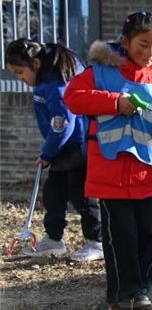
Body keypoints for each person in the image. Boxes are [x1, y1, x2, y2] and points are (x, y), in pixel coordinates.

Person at [63, 11, 152, 310]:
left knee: (146, 235)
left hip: (148, 173)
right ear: (125, 42)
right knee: (121, 236)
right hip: (110, 173)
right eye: (144, 44)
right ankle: (123, 292)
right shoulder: (100, 73)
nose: (151, 53)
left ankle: (142, 287)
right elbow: (73, 98)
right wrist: (115, 102)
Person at [4, 39, 103, 262]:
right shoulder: (44, 83)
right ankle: (54, 240)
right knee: (53, 196)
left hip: (76, 148)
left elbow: (62, 124)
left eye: (20, 72)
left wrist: (47, 153)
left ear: (36, 64)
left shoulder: (56, 86)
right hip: (60, 150)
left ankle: (97, 241)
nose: (20, 78)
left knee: (83, 197)